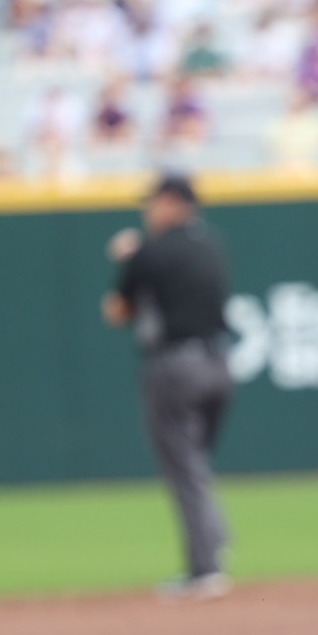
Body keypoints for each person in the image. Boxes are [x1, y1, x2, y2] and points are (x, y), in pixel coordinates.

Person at [104, 172, 237, 597]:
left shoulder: (151, 252)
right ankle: (215, 541)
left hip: (176, 369)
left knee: (185, 468)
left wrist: (129, 261)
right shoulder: (212, 244)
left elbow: (117, 312)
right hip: (219, 364)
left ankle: (206, 568)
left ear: (174, 202)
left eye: (154, 202)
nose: (148, 210)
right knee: (195, 463)